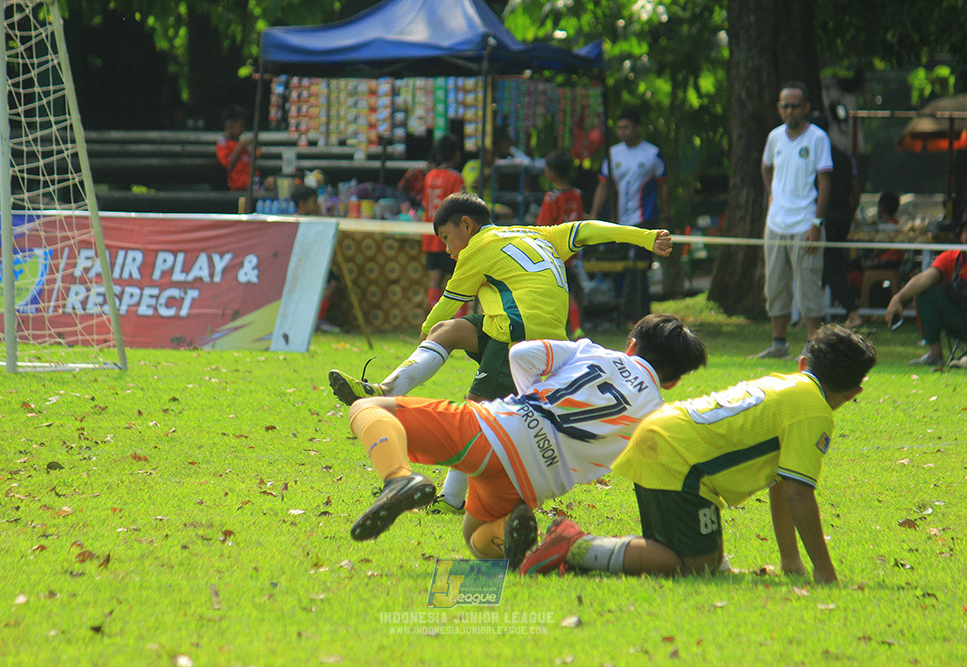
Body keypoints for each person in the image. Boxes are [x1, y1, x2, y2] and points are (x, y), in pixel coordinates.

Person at [328, 192, 674, 510]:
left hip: (518, 337)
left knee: (474, 415)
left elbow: (451, 301)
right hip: (537, 334)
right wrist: (644, 237)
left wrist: (423, 331)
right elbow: (587, 230)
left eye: (447, 238)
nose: (448, 250)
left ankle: (450, 498)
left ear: (467, 225)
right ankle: (386, 389)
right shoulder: (534, 233)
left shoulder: (476, 248)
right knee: (448, 332)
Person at [521, 324, 877, 585]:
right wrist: (826, 573)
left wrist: (791, 562)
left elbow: (782, 485)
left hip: (663, 440)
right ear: (855, 390)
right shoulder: (814, 410)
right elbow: (799, 491)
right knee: (694, 568)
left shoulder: (787, 383)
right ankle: (574, 545)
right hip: (678, 461)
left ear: (802, 363)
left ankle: (581, 548)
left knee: (685, 556)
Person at [344, 314, 707, 570]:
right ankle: (507, 534)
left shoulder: (594, 351)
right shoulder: (657, 417)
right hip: (536, 481)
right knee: (475, 537)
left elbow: (520, 354)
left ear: (631, 345)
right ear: (673, 382)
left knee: (368, 406)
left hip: (500, 430)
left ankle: (397, 478)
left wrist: (530, 405)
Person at [751, 82, 833, 360]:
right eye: (785, 105)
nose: (789, 110)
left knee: (809, 284)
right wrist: (773, 195)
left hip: (806, 224)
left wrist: (816, 223)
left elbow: (825, 181)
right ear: (779, 108)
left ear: (806, 107)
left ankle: (813, 347)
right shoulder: (774, 137)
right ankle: (778, 344)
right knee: (775, 284)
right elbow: (765, 167)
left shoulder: (818, 138)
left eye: (795, 105)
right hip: (776, 223)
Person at [590, 107, 672, 322]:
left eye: (626, 127)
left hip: (645, 218)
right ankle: (622, 312)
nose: (622, 132)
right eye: (619, 128)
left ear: (637, 128)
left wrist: (666, 213)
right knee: (621, 265)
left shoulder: (652, 153)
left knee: (640, 267)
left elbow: (663, 186)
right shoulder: (613, 154)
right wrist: (594, 213)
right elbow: (604, 186)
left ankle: (641, 313)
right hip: (620, 220)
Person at [884, 216, 967, 367]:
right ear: (961, 234)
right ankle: (935, 355)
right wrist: (898, 298)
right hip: (960, 320)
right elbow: (925, 278)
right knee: (926, 293)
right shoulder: (951, 258)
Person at [809, 112, 862, 329]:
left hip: (823, 215)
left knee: (830, 265)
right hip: (842, 214)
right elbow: (855, 190)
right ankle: (815, 314)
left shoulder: (815, 156)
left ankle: (852, 312)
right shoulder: (845, 156)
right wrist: (851, 214)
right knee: (828, 264)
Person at [537, 149, 587, 339]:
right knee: (570, 292)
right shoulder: (577, 195)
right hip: (571, 252)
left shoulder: (551, 198)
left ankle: (550, 328)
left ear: (551, 172)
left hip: (553, 252)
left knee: (551, 291)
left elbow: (542, 227)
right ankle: (577, 328)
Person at [422, 134, 466, 308]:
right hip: (449, 235)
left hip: (429, 233)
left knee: (434, 277)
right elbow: (461, 204)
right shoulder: (456, 177)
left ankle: (434, 317)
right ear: (456, 154)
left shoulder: (430, 175)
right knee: (457, 277)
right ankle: (458, 319)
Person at [292, 185, 340, 333]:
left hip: (314, 263)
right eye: (314, 201)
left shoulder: (315, 220)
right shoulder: (296, 222)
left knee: (334, 279)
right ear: (302, 204)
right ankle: (315, 320)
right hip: (302, 266)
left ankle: (316, 318)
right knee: (330, 284)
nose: (317, 205)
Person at [216, 104, 273, 192]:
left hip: (254, 178)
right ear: (230, 125)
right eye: (241, 125)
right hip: (240, 183)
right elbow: (229, 164)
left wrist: (254, 148)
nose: (243, 129)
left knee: (274, 181)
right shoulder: (223, 144)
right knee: (271, 184)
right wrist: (241, 145)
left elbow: (254, 157)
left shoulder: (240, 142)